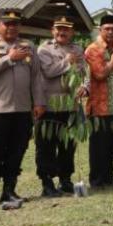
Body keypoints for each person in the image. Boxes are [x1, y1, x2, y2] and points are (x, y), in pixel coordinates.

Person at [0, 10, 45, 208]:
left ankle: (9, 190)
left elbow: (36, 77)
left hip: (22, 109)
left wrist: (39, 102)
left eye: (15, 24)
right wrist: (9, 58)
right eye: (7, 24)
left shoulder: (28, 46)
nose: (12, 27)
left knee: (17, 151)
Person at [35, 16, 88, 197]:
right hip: (49, 106)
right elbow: (49, 72)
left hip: (70, 106)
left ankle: (65, 180)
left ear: (72, 32)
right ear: (53, 31)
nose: (62, 32)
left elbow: (84, 72)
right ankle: (47, 182)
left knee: (68, 146)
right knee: (46, 146)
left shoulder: (77, 49)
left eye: (66, 29)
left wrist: (84, 87)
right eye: (59, 29)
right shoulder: (44, 49)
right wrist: (67, 61)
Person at [85, 13, 113, 189]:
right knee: (99, 146)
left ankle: (108, 177)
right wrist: (112, 62)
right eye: (107, 29)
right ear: (100, 30)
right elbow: (99, 74)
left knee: (112, 144)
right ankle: (96, 180)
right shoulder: (93, 50)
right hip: (100, 106)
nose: (111, 32)